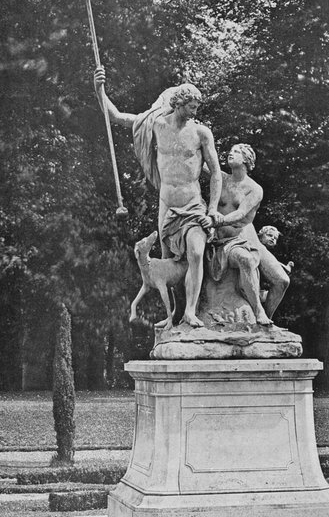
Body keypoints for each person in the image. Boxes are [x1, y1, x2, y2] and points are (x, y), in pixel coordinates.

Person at [93, 66, 222, 327]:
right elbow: (116, 117)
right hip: (167, 206)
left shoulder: (201, 133)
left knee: (196, 253)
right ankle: (175, 315)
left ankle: (191, 312)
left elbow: (217, 174)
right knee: (168, 262)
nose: (195, 112)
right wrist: (98, 89)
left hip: (193, 206)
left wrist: (212, 210)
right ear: (179, 103)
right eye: (192, 107)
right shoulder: (156, 125)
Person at [201, 144, 273, 325]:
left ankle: (259, 310)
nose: (230, 153)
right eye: (230, 151)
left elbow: (241, 213)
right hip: (215, 239)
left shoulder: (254, 189)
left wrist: (217, 221)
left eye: (236, 151)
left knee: (246, 260)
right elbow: (198, 162)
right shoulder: (221, 178)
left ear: (246, 159)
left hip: (237, 240)